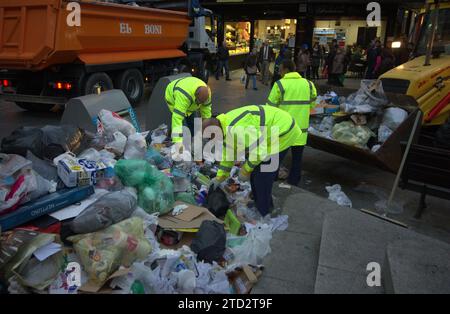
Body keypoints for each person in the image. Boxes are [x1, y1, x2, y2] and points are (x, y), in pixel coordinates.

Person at [203, 105, 303, 217]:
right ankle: (260, 203)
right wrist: (219, 178)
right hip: (274, 130)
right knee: (257, 174)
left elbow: (260, 151)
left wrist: (245, 170)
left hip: (284, 132)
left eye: (213, 138)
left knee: (262, 176)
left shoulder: (238, 129)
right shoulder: (224, 125)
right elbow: (228, 156)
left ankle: (266, 212)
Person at [266, 59, 317, 186]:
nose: (280, 72)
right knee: (297, 159)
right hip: (301, 129)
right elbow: (313, 102)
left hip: (284, 129)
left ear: (285, 70)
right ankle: (293, 183)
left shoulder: (280, 84)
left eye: (280, 69)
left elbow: (270, 108)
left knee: (276, 157)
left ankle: (271, 180)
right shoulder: (309, 84)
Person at [165, 76, 212, 151]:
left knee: (193, 126)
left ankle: (193, 147)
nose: (199, 104)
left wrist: (207, 128)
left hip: (189, 103)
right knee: (183, 128)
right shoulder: (184, 96)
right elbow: (177, 118)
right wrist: (178, 142)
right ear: (195, 96)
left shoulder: (207, 94)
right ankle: (175, 141)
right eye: (198, 102)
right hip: (172, 96)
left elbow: (206, 111)